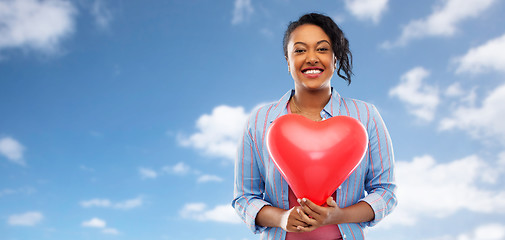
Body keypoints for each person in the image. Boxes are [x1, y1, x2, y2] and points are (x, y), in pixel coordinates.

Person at [232, 13, 397, 240]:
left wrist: (338, 216)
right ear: (287, 62)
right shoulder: (259, 121)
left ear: (335, 59)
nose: (311, 58)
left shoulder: (366, 116)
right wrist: (281, 218)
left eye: (322, 49)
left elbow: (386, 191)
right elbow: (244, 198)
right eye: (300, 50)